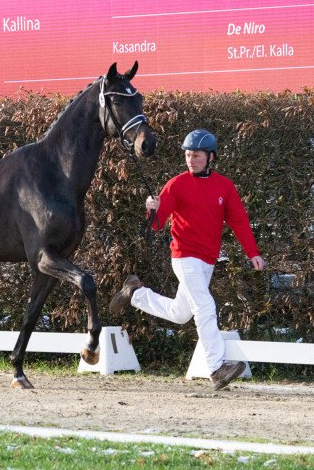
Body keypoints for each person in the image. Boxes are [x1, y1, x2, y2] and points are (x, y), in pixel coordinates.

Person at [110, 129, 265, 390]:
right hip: (184, 256)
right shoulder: (176, 184)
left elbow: (239, 221)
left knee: (181, 313)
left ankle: (135, 293)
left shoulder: (224, 186)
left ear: (210, 157)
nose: (191, 160)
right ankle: (217, 368)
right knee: (205, 306)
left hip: (207, 261)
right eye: (188, 155)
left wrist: (253, 253)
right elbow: (157, 224)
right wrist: (152, 209)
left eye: (196, 156)